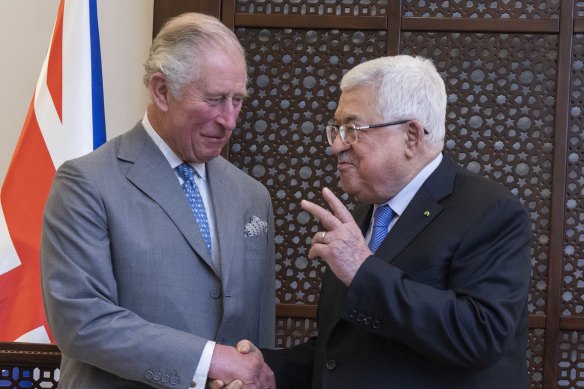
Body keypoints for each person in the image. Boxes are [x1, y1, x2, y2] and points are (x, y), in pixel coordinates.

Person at [213, 54, 532, 389]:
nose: (336, 146)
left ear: (411, 136)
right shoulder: (369, 216)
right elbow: (345, 354)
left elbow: (480, 335)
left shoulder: (490, 211)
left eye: (353, 129)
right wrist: (266, 371)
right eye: (336, 130)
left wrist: (363, 269)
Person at [41, 13, 276, 389]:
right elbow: (80, 320)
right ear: (161, 90)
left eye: (237, 100)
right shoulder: (86, 183)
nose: (230, 120)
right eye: (215, 100)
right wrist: (210, 361)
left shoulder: (251, 196)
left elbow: (259, 332)